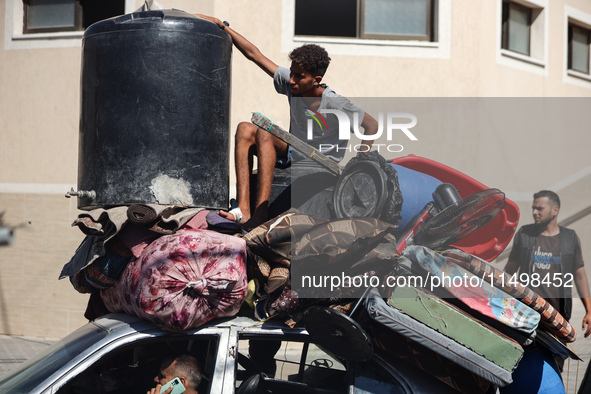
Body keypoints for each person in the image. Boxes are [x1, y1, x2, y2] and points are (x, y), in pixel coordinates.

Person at [196, 15, 379, 229]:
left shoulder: (335, 102)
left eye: (298, 76)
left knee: (265, 132)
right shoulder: (294, 83)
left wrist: (359, 164)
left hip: (320, 161)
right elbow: (255, 55)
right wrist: (224, 26)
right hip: (295, 150)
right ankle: (243, 208)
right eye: (291, 73)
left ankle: (261, 212)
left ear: (316, 80)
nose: (291, 80)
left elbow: (371, 125)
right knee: (245, 129)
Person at [504, 190, 591, 338]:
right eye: (533, 208)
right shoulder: (525, 234)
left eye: (540, 208)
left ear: (555, 210)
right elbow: (509, 270)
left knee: (555, 358)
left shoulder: (570, 238)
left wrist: (589, 310)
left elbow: (580, 276)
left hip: (558, 317)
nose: (535, 212)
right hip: (526, 312)